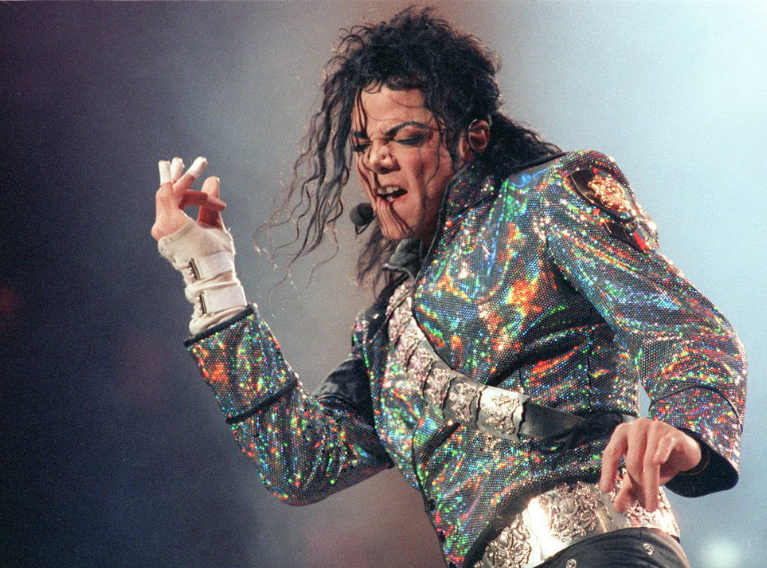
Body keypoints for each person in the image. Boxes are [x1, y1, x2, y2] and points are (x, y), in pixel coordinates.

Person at [151, 8, 746, 568]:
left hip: (602, 549)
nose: (377, 160)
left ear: (472, 137)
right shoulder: (386, 337)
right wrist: (212, 277)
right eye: (363, 144)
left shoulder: (543, 200)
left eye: (405, 137)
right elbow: (300, 463)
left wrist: (683, 427)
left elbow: (686, 329)